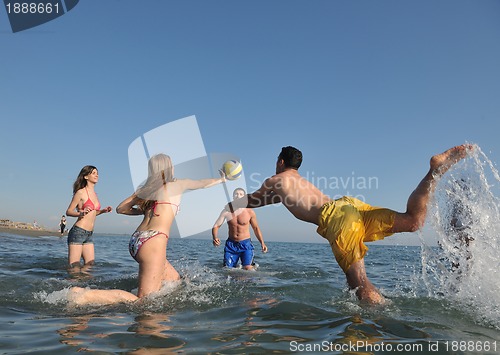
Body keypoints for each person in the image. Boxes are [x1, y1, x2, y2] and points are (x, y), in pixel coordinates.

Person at [226, 145, 471, 304]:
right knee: (413, 221)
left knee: (361, 286)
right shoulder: (296, 181)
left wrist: (231, 203)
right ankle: (434, 173)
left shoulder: (275, 180)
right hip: (348, 206)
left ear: (280, 162)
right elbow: (268, 201)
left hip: (338, 220)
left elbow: (253, 200)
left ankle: (382, 328)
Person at [68, 153, 227, 305]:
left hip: (137, 239)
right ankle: (83, 295)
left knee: (175, 281)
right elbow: (202, 183)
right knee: (143, 300)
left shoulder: (146, 189)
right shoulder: (178, 184)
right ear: (168, 167)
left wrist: (142, 211)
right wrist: (221, 179)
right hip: (154, 241)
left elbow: (121, 208)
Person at [65, 166, 113, 268]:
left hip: (89, 234)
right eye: (93, 173)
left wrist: (103, 211)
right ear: (86, 176)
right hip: (78, 231)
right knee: (75, 265)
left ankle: (84, 283)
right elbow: (68, 211)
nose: (97, 175)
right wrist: (80, 213)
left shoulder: (95, 194)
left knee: (90, 264)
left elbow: (92, 213)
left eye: (97, 173)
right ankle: (71, 283)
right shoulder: (81, 192)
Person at [212, 188, 268, 270]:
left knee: (248, 268)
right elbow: (216, 225)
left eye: (241, 194)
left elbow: (256, 228)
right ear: (233, 196)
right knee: (228, 269)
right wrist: (215, 237)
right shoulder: (226, 211)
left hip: (246, 244)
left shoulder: (250, 212)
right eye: (236, 194)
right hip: (231, 245)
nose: (238, 196)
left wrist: (262, 243)